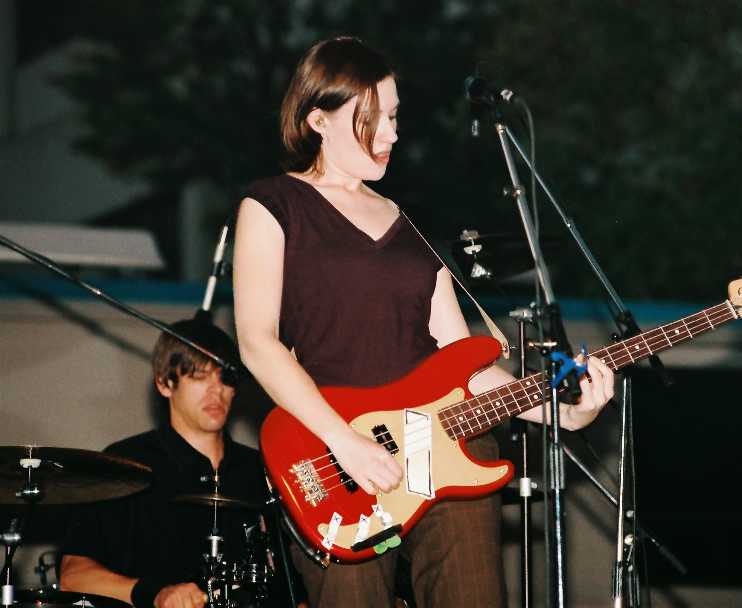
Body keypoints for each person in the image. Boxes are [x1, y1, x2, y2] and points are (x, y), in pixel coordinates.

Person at [232, 36, 616, 607]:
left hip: (445, 444)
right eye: (373, 119)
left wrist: (565, 413)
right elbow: (257, 343)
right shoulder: (273, 205)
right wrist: (343, 441)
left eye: (394, 117)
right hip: (332, 450)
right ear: (318, 119)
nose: (391, 134)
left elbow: (462, 361)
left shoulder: (409, 225)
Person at [60, 319, 270, 608]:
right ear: (164, 383)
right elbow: (72, 575)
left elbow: (295, 588)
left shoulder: (260, 470)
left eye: (225, 378)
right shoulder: (124, 465)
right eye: (199, 376)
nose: (216, 390)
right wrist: (154, 594)